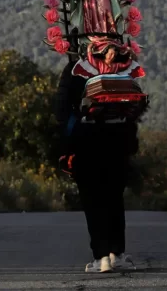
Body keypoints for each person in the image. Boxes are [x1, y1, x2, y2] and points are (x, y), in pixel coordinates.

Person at [56, 52, 140, 273]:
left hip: (86, 141)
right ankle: (117, 253)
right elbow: (135, 106)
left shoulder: (75, 68)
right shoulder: (122, 64)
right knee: (114, 198)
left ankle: (101, 257)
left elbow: (63, 109)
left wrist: (66, 148)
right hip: (117, 140)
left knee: (93, 201)